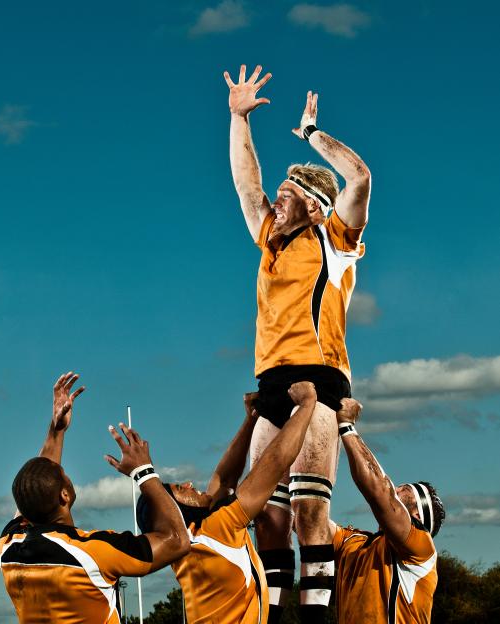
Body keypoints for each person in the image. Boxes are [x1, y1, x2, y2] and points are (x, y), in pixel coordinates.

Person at [223, 64, 372, 623]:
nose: (272, 204)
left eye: (285, 196)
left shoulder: (335, 240)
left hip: (320, 378)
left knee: (311, 511)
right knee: (264, 513)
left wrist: (312, 136)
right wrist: (238, 118)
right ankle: (272, 614)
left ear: (314, 206)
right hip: (271, 381)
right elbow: (246, 182)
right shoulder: (270, 238)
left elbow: (358, 178)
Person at [0, 372, 189, 623]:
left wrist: (57, 430)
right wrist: (144, 472)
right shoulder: (93, 553)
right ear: (65, 495)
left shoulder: (8, 548)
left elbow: (35, 488)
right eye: (63, 473)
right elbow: (177, 541)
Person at [136, 382, 319, 624]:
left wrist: (252, 418)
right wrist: (307, 405)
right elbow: (275, 462)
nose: (190, 484)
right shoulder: (216, 531)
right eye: (181, 489)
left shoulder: (190, 541)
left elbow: (223, 480)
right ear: (174, 512)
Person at [329, 398, 443, 623]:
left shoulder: (421, 550)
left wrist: (346, 426)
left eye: (403, 492)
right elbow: (308, 518)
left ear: (417, 517)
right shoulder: (355, 543)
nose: (396, 488)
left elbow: (380, 493)